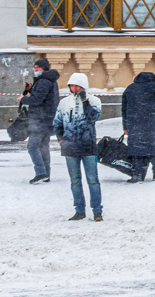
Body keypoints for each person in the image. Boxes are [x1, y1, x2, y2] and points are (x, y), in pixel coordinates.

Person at [53, 72, 103, 222]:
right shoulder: (64, 102)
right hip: (70, 147)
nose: (74, 88)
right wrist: (61, 139)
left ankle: (97, 211)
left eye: (77, 86)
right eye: (72, 86)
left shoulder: (94, 101)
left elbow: (93, 117)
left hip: (88, 146)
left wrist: (85, 101)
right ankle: (79, 210)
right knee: (75, 180)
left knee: (92, 180)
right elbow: (57, 122)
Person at [18, 58, 60, 184]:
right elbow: (44, 97)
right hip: (48, 119)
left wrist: (23, 99)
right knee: (43, 147)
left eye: (38, 68)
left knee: (32, 147)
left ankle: (41, 173)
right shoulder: (50, 81)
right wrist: (31, 89)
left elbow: (37, 100)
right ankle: (46, 173)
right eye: (34, 67)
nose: (35, 70)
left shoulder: (43, 81)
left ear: (44, 69)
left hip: (40, 120)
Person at [121, 71, 155, 182]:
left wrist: (125, 126)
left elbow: (124, 109)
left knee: (136, 149)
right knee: (153, 147)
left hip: (134, 123)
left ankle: (137, 175)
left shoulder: (130, 88)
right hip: (150, 122)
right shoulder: (153, 85)